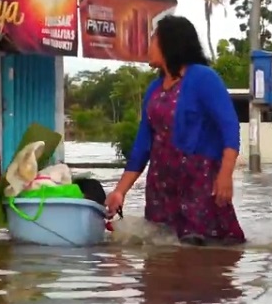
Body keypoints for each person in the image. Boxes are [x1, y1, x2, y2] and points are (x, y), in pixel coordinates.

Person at [104, 15, 245, 246]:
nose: (148, 46)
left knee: (202, 254)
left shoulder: (203, 78)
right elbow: (142, 146)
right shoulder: (154, 89)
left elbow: (229, 127)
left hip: (199, 183)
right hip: (161, 185)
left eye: (152, 39)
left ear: (170, 43)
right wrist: (120, 191)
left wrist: (225, 175)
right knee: (160, 258)